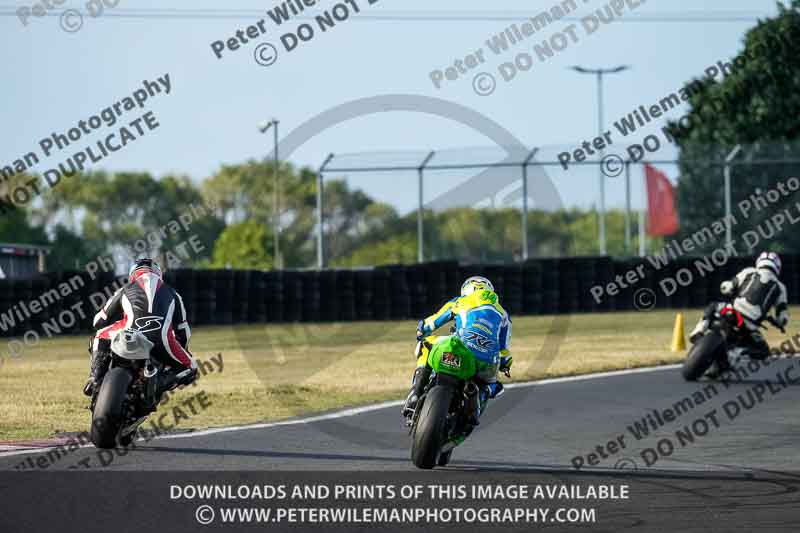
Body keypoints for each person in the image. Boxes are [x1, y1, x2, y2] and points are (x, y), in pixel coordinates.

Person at [402, 276, 513, 425]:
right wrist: (505, 365)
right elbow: (504, 352)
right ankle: (477, 401)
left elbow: (431, 322)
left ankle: (415, 392)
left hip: (461, 349)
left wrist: (421, 331)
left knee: (426, 344)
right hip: (487, 360)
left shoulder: (460, 301)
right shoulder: (504, 314)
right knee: (493, 385)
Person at [83, 258, 198, 396]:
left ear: (133, 275)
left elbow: (99, 321)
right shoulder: (174, 294)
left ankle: (95, 378)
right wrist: (180, 351)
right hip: (162, 340)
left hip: (128, 333)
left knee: (99, 336)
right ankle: (157, 385)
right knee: (191, 367)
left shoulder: (124, 290)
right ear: (158, 274)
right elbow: (184, 332)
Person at [689, 251, 789, 367]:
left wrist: (727, 290)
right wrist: (779, 323)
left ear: (759, 262)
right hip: (751, 326)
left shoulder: (749, 271)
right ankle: (739, 352)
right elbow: (783, 317)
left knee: (713, 306)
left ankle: (699, 330)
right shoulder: (781, 287)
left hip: (732, 311)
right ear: (777, 267)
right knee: (764, 351)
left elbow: (728, 286)